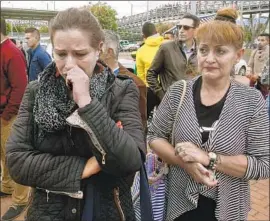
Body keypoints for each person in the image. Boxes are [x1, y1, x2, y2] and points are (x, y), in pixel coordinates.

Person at [6, 8, 145, 221]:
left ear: (99, 49)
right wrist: (83, 168)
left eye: (80, 54)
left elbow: (130, 159)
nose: (69, 64)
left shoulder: (121, 90)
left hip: (107, 209)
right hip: (48, 212)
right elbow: (17, 161)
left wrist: (87, 104)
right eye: (61, 54)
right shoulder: (36, 91)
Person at [147, 11, 269, 221]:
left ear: (238, 55)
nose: (209, 59)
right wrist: (186, 163)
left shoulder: (251, 101)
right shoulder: (179, 91)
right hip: (179, 204)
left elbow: (263, 164)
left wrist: (208, 158)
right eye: (204, 50)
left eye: (220, 51)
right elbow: (154, 136)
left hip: (229, 208)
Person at [0, 18, 29, 221]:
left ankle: (21, 199)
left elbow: (20, 88)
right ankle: (7, 186)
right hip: (3, 113)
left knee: (15, 157)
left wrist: (6, 115)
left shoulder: (11, 52)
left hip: (8, 115)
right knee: (4, 155)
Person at [100, 30, 147, 130]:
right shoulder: (91, 78)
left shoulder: (136, 84)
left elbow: (139, 129)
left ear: (109, 52)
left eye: (97, 50)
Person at [147, 13, 200, 102]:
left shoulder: (202, 50)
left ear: (196, 30)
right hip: (170, 103)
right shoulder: (166, 48)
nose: (181, 30)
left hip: (194, 104)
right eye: (179, 27)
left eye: (186, 27)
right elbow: (151, 74)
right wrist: (162, 95)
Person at [136, 22, 164, 119]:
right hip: (166, 88)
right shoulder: (167, 45)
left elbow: (140, 75)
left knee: (143, 117)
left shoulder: (140, 51)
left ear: (143, 35)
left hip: (149, 89)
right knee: (166, 121)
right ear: (156, 32)